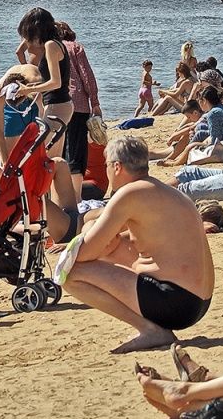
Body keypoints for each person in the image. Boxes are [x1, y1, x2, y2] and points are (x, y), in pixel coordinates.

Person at [59, 135, 214, 352]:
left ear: (117, 166)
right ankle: (153, 327)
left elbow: (84, 253)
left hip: (175, 302)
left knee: (70, 273)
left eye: (106, 166)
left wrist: (86, 231)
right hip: (198, 302)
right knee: (115, 245)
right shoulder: (162, 191)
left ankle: (151, 330)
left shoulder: (129, 194)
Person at [15, 8, 72, 157]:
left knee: (43, 157)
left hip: (56, 105)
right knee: (55, 159)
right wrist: (33, 86)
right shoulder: (57, 43)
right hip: (61, 104)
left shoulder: (50, 46)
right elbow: (55, 80)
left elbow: (55, 82)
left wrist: (27, 91)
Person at [59, 22, 102, 195]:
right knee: (77, 151)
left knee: (60, 151)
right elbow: (87, 77)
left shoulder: (49, 49)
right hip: (78, 104)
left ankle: (60, 194)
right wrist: (95, 102)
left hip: (56, 105)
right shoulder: (75, 48)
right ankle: (75, 196)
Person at [0, 64, 42, 163]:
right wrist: (4, 161)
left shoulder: (36, 82)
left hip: (34, 96)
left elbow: (44, 115)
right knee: (10, 155)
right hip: (12, 105)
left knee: (36, 151)